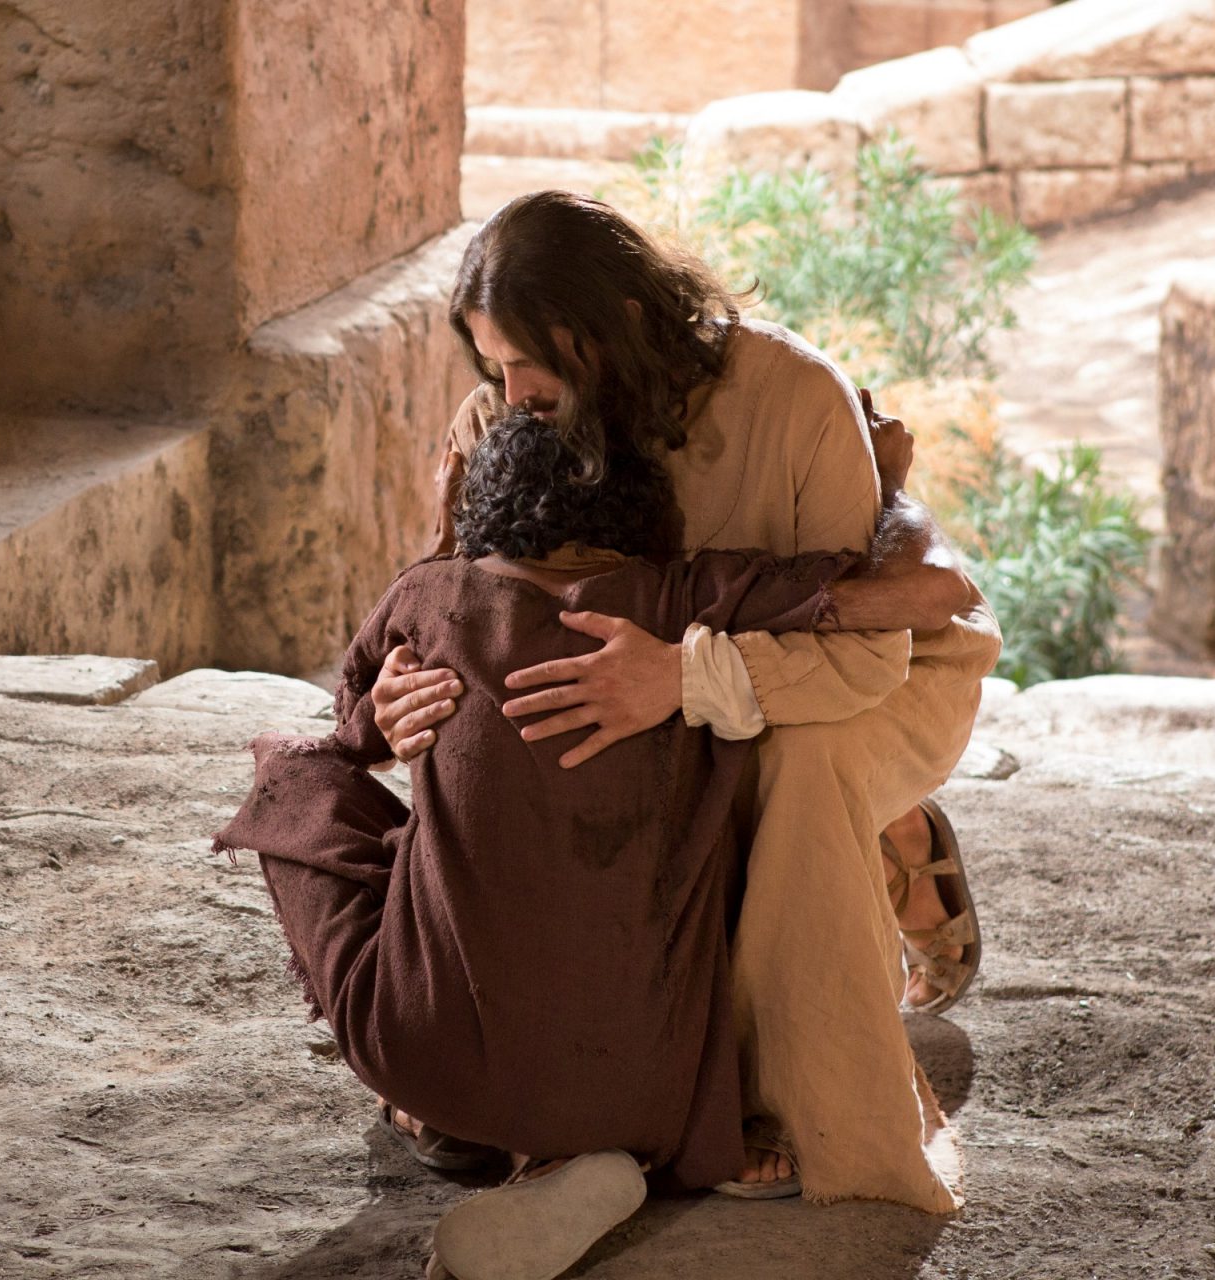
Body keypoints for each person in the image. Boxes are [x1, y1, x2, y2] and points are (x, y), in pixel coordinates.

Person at [216, 412, 971, 1280]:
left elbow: (346, 740)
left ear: (481, 509)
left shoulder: (426, 597)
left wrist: (398, 674)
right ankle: (612, 1149)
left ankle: (457, 1122)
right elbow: (933, 595)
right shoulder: (689, 598)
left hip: (432, 1060)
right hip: (662, 1093)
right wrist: (890, 486)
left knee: (292, 775)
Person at [368, 192, 1003, 1211]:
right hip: (634, 688)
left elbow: (865, 656)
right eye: (493, 362)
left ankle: (777, 1099)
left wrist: (683, 677)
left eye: (532, 359)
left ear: (618, 321)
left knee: (795, 769)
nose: (510, 392)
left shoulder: (795, 396)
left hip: (859, 676)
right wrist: (407, 692)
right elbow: (471, 606)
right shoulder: (505, 412)